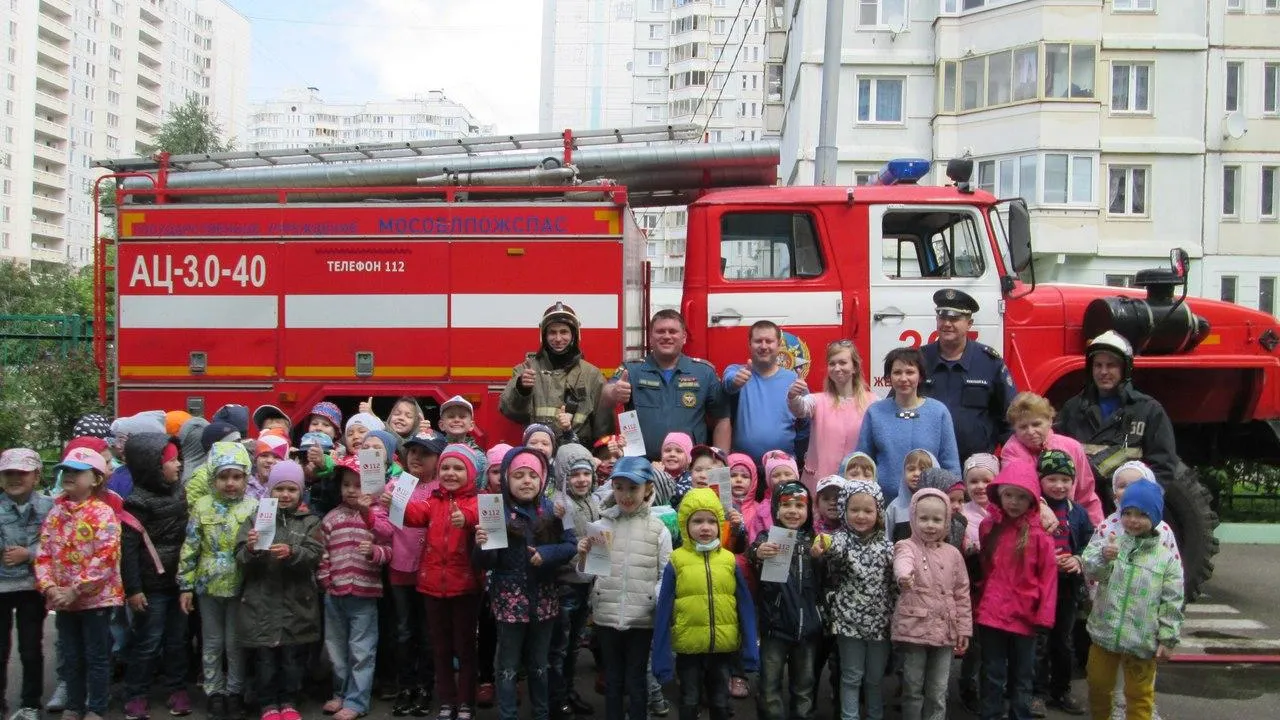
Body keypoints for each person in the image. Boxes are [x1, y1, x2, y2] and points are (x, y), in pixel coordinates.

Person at [473, 447, 578, 720]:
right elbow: (487, 563)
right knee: (507, 665)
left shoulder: (555, 509)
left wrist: (547, 554)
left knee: (539, 664)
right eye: (518, 475)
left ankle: (541, 713)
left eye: (532, 475)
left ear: (543, 479)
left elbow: (571, 545)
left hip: (544, 599)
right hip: (509, 601)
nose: (526, 481)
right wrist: (482, 545)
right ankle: (508, 714)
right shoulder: (496, 510)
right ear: (507, 478)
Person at [651, 488, 760, 720]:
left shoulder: (729, 560)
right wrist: (661, 658)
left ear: (720, 524)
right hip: (688, 648)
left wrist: (750, 649)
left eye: (711, 521)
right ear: (685, 525)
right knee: (689, 700)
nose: (705, 527)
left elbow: (745, 607)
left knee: (720, 702)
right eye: (697, 521)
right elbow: (663, 611)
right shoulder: (677, 560)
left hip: (723, 648)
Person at [579, 456, 672, 720]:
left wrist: (650, 598)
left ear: (648, 489)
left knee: (636, 679)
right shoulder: (602, 525)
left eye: (633, 488)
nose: (626, 495)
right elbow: (588, 575)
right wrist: (584, 556)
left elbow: (665, 573)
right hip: (607, 616)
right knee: (613, 680)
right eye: (619, 487)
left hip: (641, 620)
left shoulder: (658, 530)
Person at [1083, 479, 1184, 720]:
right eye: (1127, 513)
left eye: (1141, 514)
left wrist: (1168, 638)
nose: (1132, 520)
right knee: (1098, 685)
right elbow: (1091, 570)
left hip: (1142, 641)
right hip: (1104, 634)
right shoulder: (1111, 544)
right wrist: (1103, 557)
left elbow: (1172, 601)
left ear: (1155, 517)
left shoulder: (1165, 559)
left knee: (1140, 695)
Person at [35, 447, 124, 720]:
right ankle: (74, 704)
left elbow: (106, 556)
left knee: (96, 656)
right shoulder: (56, 512)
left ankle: (96, 706)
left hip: (95, 599)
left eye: (77, 471)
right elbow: (44, 553)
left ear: (96, 479)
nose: (69, 475)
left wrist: (76, 589)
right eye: (66, 471)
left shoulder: (103, 513)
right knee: (71, 655)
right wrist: (50, 587)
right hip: (63, 600)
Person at [400, 444, 485, 720]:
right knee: (440, 647)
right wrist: (393, 502)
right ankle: (447, 699)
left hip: (465, 586)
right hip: (432, 585)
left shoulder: (478, 501)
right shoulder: (433, 501)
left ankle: (466, 702)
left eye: (458, 468)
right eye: (446, 468)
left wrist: (469, 519)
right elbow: (412, 515)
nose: (450, 473)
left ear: (471, 473)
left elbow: (485, 519)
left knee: (465, 647)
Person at [236, 461, 324, 720]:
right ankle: (267, 703)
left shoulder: (310, 521)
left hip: (296, 604)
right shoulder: (255, 518)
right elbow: (239, 556)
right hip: (261, 602)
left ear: (301, 492)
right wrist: (251, 549)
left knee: (292, 658)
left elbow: (315, 553)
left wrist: (293, 552)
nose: (285, 495)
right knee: (265, 660)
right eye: (279, 489)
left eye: (292, 490)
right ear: (269, 491)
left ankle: (289, 701)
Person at [178, 442, 258, 720]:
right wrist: (185, 585)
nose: (230, 483)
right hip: (208, 585)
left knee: (235, 642)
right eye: (223, 477)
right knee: (212, 641)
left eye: (236, 477)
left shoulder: (253, 506)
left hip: (240, 584)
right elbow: (190, 547)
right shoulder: (202, 507)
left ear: (246, 478)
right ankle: (214, 691)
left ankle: (235, 691)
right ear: (213, 478)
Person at [976, 463, 1058, 720]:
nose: (1014, 502)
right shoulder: (989, 527)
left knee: (1023, 675)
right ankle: (990, 714)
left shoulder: (1040, 537)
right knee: (992, 672)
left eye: (1022, 496)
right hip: (992, 613)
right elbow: (986, 569)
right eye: (1009, 495)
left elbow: (1048, 579)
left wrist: (1044, 616)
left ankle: (1020, 714)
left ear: (1033, 499)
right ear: (999, 494)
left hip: (1025, 615)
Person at [120, 433, 192, 720]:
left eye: (178, 458)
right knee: (148, 640)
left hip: (178, 581)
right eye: (171, 460)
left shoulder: (180, 492)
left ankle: (177, 688)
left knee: (177, 639)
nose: (178, 465)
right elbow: (128, 551)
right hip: (150, 587)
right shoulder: (136, 502)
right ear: (151, 465)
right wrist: (133, 588)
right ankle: (136, 692)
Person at [1055, 331, 1179, 496]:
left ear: (1125, 368)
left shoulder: (1148, 410)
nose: (1103, 372)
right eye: (1098, 365)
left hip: (1127, 508)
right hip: (1083, 505)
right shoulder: (1073, 408)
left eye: (1111, 365)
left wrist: (1144, 501)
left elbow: (1163, 466)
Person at [318, 458, 394, 720]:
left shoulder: (377, 515)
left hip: (365, 593)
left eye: (359, 485)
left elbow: (388, 547)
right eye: (347, 484)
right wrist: (326, 579)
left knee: (361, 650)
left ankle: (357, 700)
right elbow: (323, 553)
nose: (352, 490)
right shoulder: (331, 517)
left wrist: (374, 552)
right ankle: (339, 692)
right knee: (336, 648)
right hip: (335, 593)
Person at [602, 309, 731, 458]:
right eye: (660, 331)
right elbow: (605, 398)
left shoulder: (704, 372)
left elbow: (722, 419)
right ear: (650, 338)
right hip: (641, 466)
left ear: (684, 337)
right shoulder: (631, 369)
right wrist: (613, 392)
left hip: (689, 468)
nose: (666, 336)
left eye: (673, 331)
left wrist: (721, 463)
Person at [892, 488, 972, 720]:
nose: (930, 525)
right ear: (913, 518)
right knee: (913, 687)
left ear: (946, 521)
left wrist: (964, 628)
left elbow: (962, 594)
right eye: (923, 518)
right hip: (914, 628)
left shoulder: (953, 554)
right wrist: (904, 576)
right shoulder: (907, 545)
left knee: (938, 690)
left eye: (937, 519)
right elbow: (902, 561)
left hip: (945, 632)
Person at [748, 481, 823, 720]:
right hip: (775, 626)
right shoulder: (768, 538)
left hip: (808, 627)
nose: (793, 510)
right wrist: (758, 552)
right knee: (769, 685)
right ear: (776, 510)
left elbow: (827, 580)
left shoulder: (815, 541)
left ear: (808, 510)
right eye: (786, 505)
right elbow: (753, 552)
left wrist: (821, 559)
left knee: (805, 686)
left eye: (799, 505)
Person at [383, 435, 445, 716]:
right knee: (404, 631)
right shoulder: (397, 485)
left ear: (439, 459)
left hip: (429, 569)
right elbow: (385, 528)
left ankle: (425, 687)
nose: (417, 458)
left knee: (428, 632)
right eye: (412, 452)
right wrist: (376, 510)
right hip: (400, 567)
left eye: (425, 453)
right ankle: (406, 685)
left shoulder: (442, 488)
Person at [822, 479, 893, 720]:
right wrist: (823, 547)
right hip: (848, 622)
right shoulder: (841, 539)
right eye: (854, 510)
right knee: (851, 676)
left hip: (880, 624)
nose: (861, 516)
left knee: (874, 679)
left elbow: (894, 584)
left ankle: (875, 716)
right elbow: (834, 550)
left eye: (868, 510)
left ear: (878, 512)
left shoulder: (887, 546)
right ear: (844, 510)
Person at [919, 289, 1018, 461]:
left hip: (976, 467)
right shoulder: (919, 359)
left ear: (969, 323)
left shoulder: (989, 362)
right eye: (942, 317)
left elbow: (1010, 417)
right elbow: (898, 406)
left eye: (955, 319)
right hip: (928, 461)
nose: (947, 324)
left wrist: (1013, 461)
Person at [856, 347, 960, 505]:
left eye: (910, 372)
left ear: (920, 376)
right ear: (888, 378)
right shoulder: (875, 412)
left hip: (930, 506)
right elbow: (863, 460)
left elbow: (950, 464)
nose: (903, 378)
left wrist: (953, 499)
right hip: (883, 504)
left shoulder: (939, 412)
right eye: (897, 372)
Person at [500, 302, 611, 448]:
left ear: (574, 335)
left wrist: (600, 457)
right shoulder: (526, 371)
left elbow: (604, 427)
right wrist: (522, 389)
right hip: (538, 454)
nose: (558, 339)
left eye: (564, 332)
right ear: (544, 336)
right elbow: (508, 411)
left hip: (577, 459)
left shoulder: (592, 375)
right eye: (552, 332)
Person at [0, 448, 54, 720]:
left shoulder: (49, 506)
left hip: (33, 586)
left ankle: (30, 703)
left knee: (31, 647)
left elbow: (54, 543)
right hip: (1, 586)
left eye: (22, 473)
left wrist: (27, 554)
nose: (14, 478)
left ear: (36, 476)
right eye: (9, 473)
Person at [550, 447, 603, 719]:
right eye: (575, 475)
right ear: (563, 476)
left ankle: (569, 691)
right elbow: (558, 545)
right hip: (566, 584)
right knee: (559, 646)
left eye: (586, 473)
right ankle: (557, 698)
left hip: (586, 582)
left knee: (573, 645)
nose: (582, 479)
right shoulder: (561, 505)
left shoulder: (594, 501)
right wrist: (575, 554)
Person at [1001, 392, 1103, 525]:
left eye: (1036, 424)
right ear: (1014, 428)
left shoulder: (1072, 447)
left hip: (1069, 521)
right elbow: (1019, 488)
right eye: (1023, 427)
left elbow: (1086, 494)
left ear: (1050, 421)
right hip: (1029, 522)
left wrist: (1098, 531)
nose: (1031, 431)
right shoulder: (1011, 450)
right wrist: (1041, 507)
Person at [789, 339, 877, 489]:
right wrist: (793, 396)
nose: (837, 368)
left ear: (855, 367)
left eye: (843, 363)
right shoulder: (817, 400)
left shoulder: (873, 402)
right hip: (819, 486)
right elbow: (800, 409)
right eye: (832, 363)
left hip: (857, 486)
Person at [722, 320, 799, 461]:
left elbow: (805, 423)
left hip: (782, 468)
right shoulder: (737, 371)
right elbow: (728, 383)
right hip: (743, 470)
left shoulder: (793, 379)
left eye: (769, 341)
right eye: (758, 341)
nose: (764, 346)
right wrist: (736, 381)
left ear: (779, 344)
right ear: (749, 345)